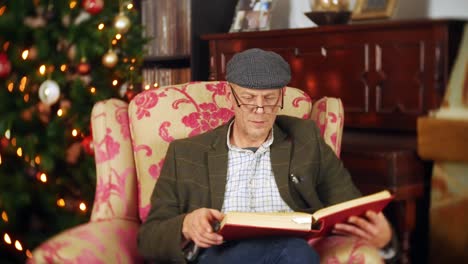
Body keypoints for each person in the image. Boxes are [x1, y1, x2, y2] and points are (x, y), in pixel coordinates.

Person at [137, 48, 398, 263]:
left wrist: (386, 242)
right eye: (249, 99)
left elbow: (349, 208)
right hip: (219, 255)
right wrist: (186, 224)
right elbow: (148, 239)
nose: (260, 110)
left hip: (290, 251)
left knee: (296, 253)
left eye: (270, 99)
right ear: (231, 96)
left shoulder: (305, 139)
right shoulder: (186, 153)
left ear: (281, 97)